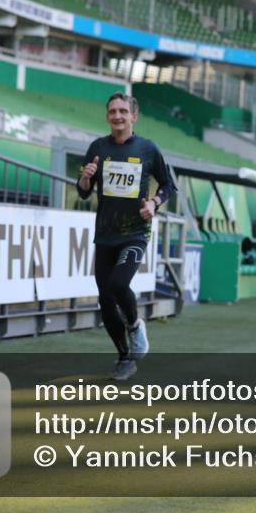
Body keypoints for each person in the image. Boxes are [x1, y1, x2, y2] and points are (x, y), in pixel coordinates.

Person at [77, 92, 175, 380]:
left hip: (135, 233)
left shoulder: (148, 148)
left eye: (123, 111)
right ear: (107, 116)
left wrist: (153, 203)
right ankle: (124, 357)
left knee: (119, 284)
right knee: (106, 300)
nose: (117, 116)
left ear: (134, 116)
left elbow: (168, 185)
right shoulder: (97, 147)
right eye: (112, 111)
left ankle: (134, 326)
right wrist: (86, 176)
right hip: (105, 234)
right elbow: (83, 191)